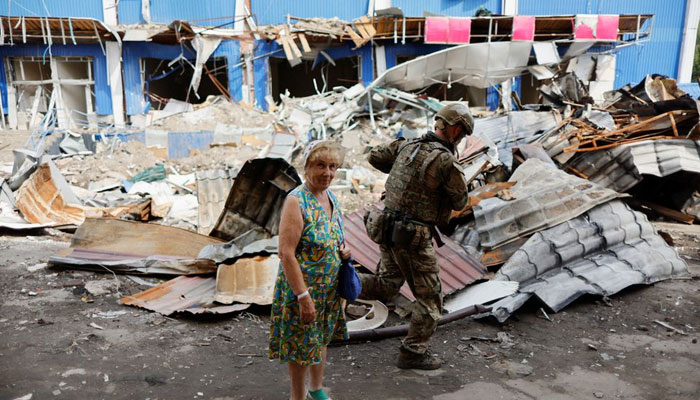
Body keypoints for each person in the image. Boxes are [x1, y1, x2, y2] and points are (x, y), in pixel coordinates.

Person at [359, 103, 473, 370]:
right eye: (463, 133)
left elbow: (375, 157)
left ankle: (335, 283)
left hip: (386, 228)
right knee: (431, 298)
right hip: (412, 238)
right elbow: (460, 201)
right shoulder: (445, 160)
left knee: (387, 284)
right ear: (456, 129)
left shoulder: (407, 146)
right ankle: (413, 352)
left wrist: (404, 171)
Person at [269, 140, 351, 400]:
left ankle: (316, 389)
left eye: (332, 166)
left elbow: (333, 235)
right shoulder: (296, 201)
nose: (327, 173)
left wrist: (343, 251)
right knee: (300, 346)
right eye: (320, 165)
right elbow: (286, 253)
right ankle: (298, 396)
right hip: (302, 290)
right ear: (306, 167)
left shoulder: (330, 197)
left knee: (321, 339)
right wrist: (303, 297)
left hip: (328, 290)